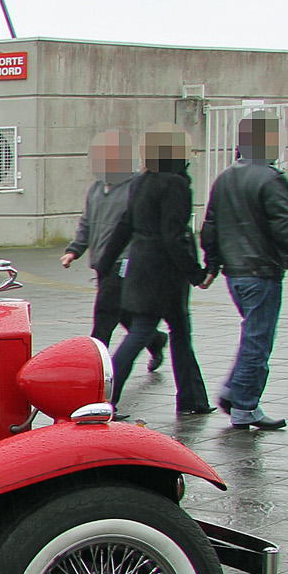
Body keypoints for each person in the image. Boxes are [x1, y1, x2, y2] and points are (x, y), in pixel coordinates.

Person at [201, 109, 288, 430]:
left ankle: (234, 392)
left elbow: (210, 225)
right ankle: (244, 407)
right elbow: (285, 228)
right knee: (258, 340)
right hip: (261, 272)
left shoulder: (224, 177)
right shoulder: (271, 179)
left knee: (252, 334)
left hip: (234, 273)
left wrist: (212, 264)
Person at [97, 125, 212, 418]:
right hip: (165, 273)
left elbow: (125, 224)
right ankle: (106, 398)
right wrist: (195, 273)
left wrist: (105, 262)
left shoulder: (141, 181)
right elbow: (174, 235)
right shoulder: (175, 184)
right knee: (147, 333)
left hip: (142, 266)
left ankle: (193, 399)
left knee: (177, 332)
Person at [63, 129, 166, 367]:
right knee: (125, 314)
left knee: (105, 315)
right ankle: (156, 340)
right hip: (102, 262)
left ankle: (94, 368)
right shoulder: (96, 189)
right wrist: (74, 250)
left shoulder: (135, 187)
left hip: (125, 262)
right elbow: (87, 222)